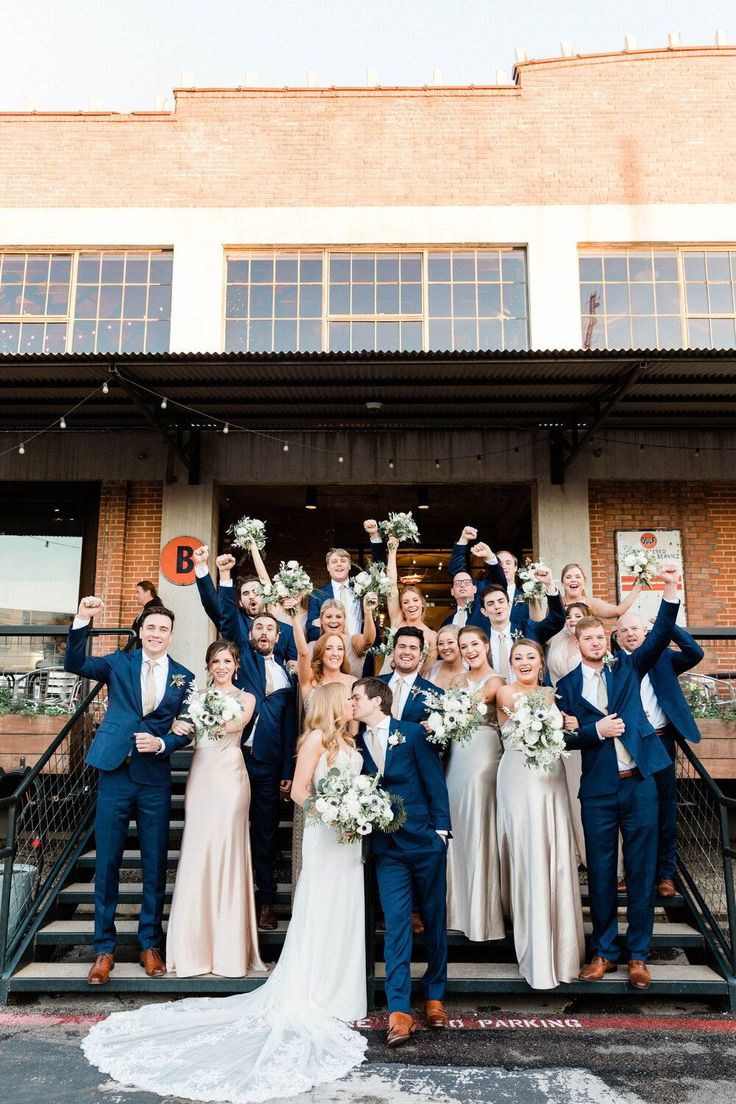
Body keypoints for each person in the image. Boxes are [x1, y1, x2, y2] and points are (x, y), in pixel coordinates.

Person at [82, 683, 369, 1103]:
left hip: (347, 843)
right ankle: (317, 988)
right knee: (322, 908)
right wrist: (335, 813)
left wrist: (356, 810)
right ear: (330, 704)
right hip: (327, 835)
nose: (352, 703)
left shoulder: (348, 739)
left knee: (343, 912)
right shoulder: (312, 739)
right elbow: (302, 791)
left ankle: (340, 988)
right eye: (347, 699)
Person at [556, 564, 681, 991]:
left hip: (640, 782)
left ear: (605, 641)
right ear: (577, 641)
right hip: (598, 791)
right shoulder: (566, 687)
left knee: (643, 870)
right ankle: (605, 951)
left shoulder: (628, 669)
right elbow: (563, 738)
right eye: (587, 637)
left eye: (599, 637)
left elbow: (662, 632)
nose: (594, 642)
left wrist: (668, 589)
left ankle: (639, 955)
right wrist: (595, 730)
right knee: (603, 871)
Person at [64, 598, 194, 985]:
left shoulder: (184, 677)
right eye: (151, 627)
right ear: (141, 631)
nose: (156, 634)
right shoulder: (118, 663)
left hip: (153, 776)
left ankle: (149, 944)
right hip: (115, 771)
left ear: (171, 635)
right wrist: (83, 619)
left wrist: (165, 745)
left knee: (154, 863)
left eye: (163, 629)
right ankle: (103, 949)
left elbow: (188, 725)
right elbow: (75, 664)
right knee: (108, 862)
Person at [352, 677, 451, 1047]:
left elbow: (434, 781)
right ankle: (399, 1012)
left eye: (356, 697)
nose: (352, 702)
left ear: (377, 701)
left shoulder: (411, 732)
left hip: (425, 841)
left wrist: (441, 831)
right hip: (387, 848)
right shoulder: (356, 744)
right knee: (396, 924)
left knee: (435, 920)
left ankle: (435, 996)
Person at [166, 640, 265, 978]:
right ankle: (192, 949)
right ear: (208, 665)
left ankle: (228, 951)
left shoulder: (247, 698)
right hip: (202, 774)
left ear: (236, 665)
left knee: (227, 851)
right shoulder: (192, 697)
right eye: (215, 661)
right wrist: (176, 726)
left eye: (227, 661)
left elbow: (233, 725)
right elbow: (182, 725)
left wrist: (203, 714)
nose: (221, 666)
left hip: (230, 777)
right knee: (197, 851)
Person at [496, 639, 585, 989]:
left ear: (541, 662)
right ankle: (536, 953)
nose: (524, 662)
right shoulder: (505, 692)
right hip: (519, 775)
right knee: (530, 854)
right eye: (517, 657)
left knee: (557, 856)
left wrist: (572, 723)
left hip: (551, 776)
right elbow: (522, 713)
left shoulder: (555, 693)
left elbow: (568, 728)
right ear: (511, 663)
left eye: (530, 656)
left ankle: (563, 953)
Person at [219, 595, 298, 932]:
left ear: (279, 637)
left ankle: (265, 901)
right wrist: (222, 580)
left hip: (268, 765)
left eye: (271, 628)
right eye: (259, 627)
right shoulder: (242, 662)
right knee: (230, 830)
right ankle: (226, 901)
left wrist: (286, 772)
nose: (264, 632)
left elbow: (289, 726)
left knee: (265, 834)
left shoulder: (287, 674)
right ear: (250, 633)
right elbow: (226, 619)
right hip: (234, 758)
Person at [615, 612, 704, 897]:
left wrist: (669, 628)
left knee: (665, 808)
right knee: (634, 813)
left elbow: (695, 652)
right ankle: (635, 873)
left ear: (646, 631)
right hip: (631, 747)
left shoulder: (664, 657)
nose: (630, 634)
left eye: (636, 629)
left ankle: (666, 874)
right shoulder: (614, 666)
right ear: (617, 637)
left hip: (662, 741)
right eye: (624, 630)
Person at [445, 626, 506, 942]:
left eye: (474, 645)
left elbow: (468, 707)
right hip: (456, 757)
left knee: (479, 828)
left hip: (483, 757)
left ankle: (481, 917)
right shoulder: (456, 680)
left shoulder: (497, 682)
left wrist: (446, 711)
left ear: (486, 646)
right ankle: (455, 910)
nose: (469, 650)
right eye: (463, 646)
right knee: (456, 829)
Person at [193, 546, 297, 664]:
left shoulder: (287, 631)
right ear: (241, 602)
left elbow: (293, 666)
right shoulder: (233, 621)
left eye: (256, 592)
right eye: (246, 593)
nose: (251, 596)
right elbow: (211, 603)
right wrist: (201, 566)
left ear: (265, 596)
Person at [547, 602, 591, 867]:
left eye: (578, 615)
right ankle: (574, 851)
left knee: (584, 788)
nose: (573, 619)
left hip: (583, 722)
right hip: (559, 717)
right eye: (569, 616)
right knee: (567, 789)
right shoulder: (557, 644)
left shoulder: (592, 647)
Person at [305, 519, 386, 643]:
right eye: (334, 562)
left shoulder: (362, 588)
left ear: (349, 566)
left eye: (343, 561)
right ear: (328, 567)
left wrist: (374, 535)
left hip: (362, 651)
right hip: (332, 654)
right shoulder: (317, 595)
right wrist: (329, 634)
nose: (339, 565)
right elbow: (311, 630)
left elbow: (380, 567)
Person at [480, 570, 565, 680]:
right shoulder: (481, 639)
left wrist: (549, 585)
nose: (497, 606)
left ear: (509, 605)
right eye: (491, 604)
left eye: (501, 601)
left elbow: (557, 620)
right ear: (484, 611)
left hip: (529, 694)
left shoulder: (528, 629)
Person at [384, 536, 437, 668]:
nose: (411, 605)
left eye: (415, 600)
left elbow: (428, 670)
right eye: (406, 602)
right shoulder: (397, 622)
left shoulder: (431, 636)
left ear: (422, 604)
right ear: (401, 608)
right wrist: (392, 551)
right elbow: (390, 585)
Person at [378, 625, 439, 725]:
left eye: (413, 648)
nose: (407, 652)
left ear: (421, 655)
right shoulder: (373, 685)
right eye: (402, 646)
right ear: (393, 651)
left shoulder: (434, 694)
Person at [309, 596, 377, 678]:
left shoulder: (353, 642)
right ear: (321, 621)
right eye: (328, 617)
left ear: (344, 620)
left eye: (338, 617)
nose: (333, 621)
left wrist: (368, 612)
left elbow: (368, 641)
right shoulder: (312, 646)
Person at [560, 561, 642, 618]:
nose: (573, 580)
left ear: (584, 582)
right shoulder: (556, 603)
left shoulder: (590, 603)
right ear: (562, 583)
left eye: (578, 577)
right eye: (568, 577)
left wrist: (636, 589)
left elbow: (618, 610)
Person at [426, 625, 466, 689]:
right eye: (441, 643)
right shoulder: (430, 667)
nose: (445, 647)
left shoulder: (467, 677)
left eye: (450, 642)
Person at [131, 579, 161, 649]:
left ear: (147, 592)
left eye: (138, 592)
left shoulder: (155, 608)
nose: (136, 595)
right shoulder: (149, 607)